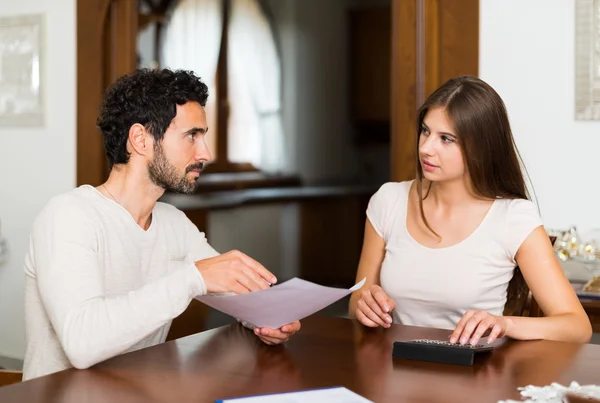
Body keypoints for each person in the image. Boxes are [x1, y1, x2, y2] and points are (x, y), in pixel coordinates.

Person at [23, 68, 301, 380]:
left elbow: (232, 292)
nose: (205, 153)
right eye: (191, 136)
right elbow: (82, 343)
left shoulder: (174, 224)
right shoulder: (68, 216)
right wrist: (192, 278)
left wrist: (268, 318)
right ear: (140, 139)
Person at [349, 76, 591, 345]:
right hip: (393, 373)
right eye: (426, 131)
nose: (426, 148)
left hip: (473, 377)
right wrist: (364, 304)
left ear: (481, 147)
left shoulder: (513, 218)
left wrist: (504, 324)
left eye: (446, 139)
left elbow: (577, 326)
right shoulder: (388, 201)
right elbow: (356, 302)